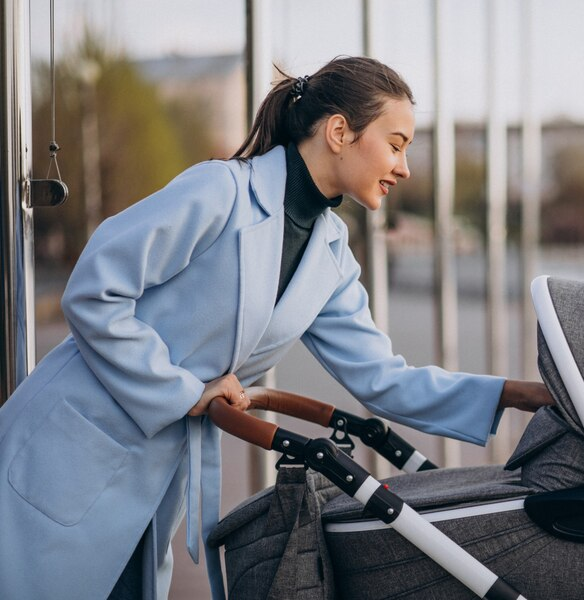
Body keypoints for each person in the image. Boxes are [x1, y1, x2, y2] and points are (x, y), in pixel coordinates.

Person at [0, 55, 553, 599]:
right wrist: (181, 390)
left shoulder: (332, 259)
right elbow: (96, 291)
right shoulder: (220, 192)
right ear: (340, 131)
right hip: (66, 453)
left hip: (149, 488)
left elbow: (384, 379)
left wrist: (521, 394)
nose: (404, 167)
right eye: (397, 144)